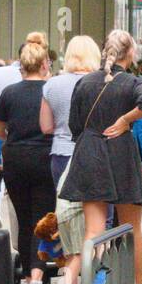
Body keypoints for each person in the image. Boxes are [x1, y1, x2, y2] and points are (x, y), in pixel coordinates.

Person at [60, 29, 142, 284]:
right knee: (132, 228)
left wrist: (92, 137)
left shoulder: (84, 83)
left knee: (93, 230)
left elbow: (74, 125)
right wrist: (125, 120)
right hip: (120, 156)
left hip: (90, 151)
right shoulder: (133, 82)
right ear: (130, 54)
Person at [0, 41, 57, 284]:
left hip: (15, 159)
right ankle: (37, 279)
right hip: (43, 157)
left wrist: (13, 136)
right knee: (42, 220)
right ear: (44, 65)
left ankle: (26, 280)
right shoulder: (50, 90)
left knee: (23, 219)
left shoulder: (10, 93)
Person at [40, 35, 99, 187]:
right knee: (98, 208)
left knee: (65, 207)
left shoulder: (52, 84)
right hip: (97, 154)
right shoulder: (104, 83)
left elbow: (46, 127)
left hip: (62, 152)